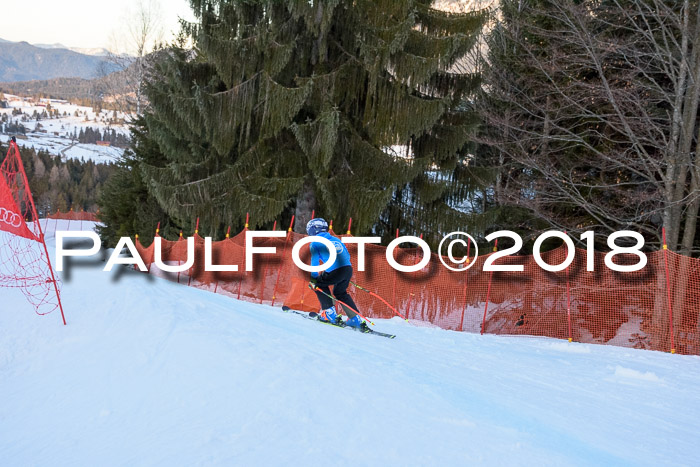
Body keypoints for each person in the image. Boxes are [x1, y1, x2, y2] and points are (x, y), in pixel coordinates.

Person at [306, 217, 366, 329]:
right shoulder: (336, 239)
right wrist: (343, 272)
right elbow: (346, 255)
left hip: (335, 270)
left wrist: (313, 280)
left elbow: (314, 264)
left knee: (318, 284)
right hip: (347, 269)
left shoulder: (315, 243)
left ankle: (329, 313)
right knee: (340, 292)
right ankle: (354, 318)